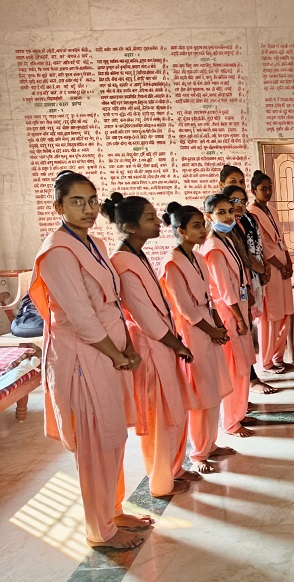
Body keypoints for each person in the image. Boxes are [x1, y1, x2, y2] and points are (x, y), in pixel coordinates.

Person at [29, 170, 151, 549]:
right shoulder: (57, 252)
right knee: (95, 446)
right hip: (84, 357)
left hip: (109, 353)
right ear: (58, 207)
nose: (88, 209)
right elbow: (82, 316)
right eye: (76, 202)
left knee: (112, 438)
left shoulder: (94, 242)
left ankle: (113, 511)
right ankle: (101, 531)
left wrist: (126, 346)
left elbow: (111, 302)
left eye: (92, 200)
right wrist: (118, 354)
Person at [104, 192, 200, 497]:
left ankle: (175, 469)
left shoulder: (137, 255)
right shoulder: (123, 262)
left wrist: (173, 341)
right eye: (149, 218)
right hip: (150, 347)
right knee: (160, 418)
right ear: (130, 226)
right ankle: (161, 482)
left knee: (174, 411)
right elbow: (143, 315)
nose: (158, 222)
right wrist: (177, 343)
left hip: (163, 344)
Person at [159, 202, 236, 474]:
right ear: (180, 230)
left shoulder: (198, 257)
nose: (203, 230)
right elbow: (185, 308)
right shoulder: (172, 264)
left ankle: (210, 444)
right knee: (201, 393)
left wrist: (218, 323)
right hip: (192, 332)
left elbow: (209, 298)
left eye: (202, 225)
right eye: (195, 226)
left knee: (212, 389)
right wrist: (211, 330)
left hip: (208, 327)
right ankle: (198, 453)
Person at [199, 194, 260, 438]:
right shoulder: (213, 248)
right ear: (209, 216)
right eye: (221, 212)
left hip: (239, 309)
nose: (227, 217)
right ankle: (231, 422)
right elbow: (224, 290)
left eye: (229, 211)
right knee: (234, 368)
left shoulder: (227, 240)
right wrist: (240, 318)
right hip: (229, 313)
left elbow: (238, 276)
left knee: (243, 365)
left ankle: (240, 412)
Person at [220, 183, 278, 396]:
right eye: (234, 201)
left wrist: (263, 269)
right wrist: (261, 269)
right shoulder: (221, 236)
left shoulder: (242, 222)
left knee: (245, 336)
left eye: (242, 201)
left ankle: (247, 384)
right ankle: (246, 385)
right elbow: (243, 257)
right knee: (237, 342)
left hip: (247, 282)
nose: (239, 205)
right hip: (234, 294)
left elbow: (255, 247)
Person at [249, 171, 294, 374]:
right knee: (271, 315)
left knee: (286, 312)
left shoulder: (272, 211)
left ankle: (279, 357)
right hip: (270, 268)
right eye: (263, 189)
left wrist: (289, 261)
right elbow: (263, 246)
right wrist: (279, 265)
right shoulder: (252, 214)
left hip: (282, 266)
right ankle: (266, 362)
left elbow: (281, 239)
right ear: (253, 191)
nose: (267, 192)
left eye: (270, 188)